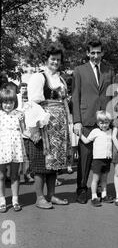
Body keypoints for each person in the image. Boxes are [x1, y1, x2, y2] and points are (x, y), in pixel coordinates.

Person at [27, 45, 70, 209]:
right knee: (40, 162)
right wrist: (36, 127)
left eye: (58, 59)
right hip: (43, 124)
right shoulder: (39, 77)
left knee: (55, 163)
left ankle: (51, 195)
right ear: (47, 59)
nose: (56, 62)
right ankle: (40, 198)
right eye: (53, 59)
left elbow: (64, 102)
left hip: (59, 126)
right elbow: (33, 103)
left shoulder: (61, 79)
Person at [72, 40, 115, 204]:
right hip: (86, 120)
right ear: (88, 53)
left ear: (102, 53)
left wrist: (112, 118)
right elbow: (75, 97)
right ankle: (82, 190)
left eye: (98, 52)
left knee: (102, 158)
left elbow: (112, 96)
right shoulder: (79, 71)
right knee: (85, 158)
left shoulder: (109, 71)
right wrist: (77, 120)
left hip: (104, 122)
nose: (96, 56)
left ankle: (100, 191)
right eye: (93, 53)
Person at [79, 111, 113, 207]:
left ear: (109, 122)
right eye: (101, 123)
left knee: (104, 179)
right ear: (98, 123)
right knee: (95, 179)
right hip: (97, 160)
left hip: (107, 159)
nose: (104, 125)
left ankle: (104, 195)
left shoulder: (111, 132)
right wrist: (80, 134)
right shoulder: (95, 132)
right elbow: (86, 141)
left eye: (106, 122)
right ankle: (94, 197)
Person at [0, 89, 26, 212]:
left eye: (11, 102)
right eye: (5, 102)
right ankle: (2, 200)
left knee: (15, 175)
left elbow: (24, 131)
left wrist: (36, 130)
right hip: (2, 147)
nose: (8, 105)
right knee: (1, 175)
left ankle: (15, 200)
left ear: (15, 102)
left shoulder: (19, 115)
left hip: (16, 147)